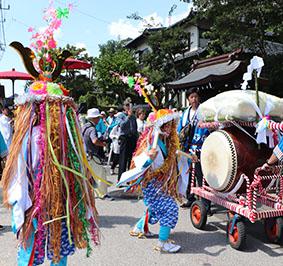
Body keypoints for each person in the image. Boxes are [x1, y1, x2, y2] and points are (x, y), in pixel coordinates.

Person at [118, 109, 194, 253]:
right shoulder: (151, 141)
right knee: (169, 208)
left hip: (160, 182)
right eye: (165, 125)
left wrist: (190, 157)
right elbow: (139, 162)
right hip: (152, 183)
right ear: (159, 126)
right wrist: (149, 159)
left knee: (155, 208)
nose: (168, 128)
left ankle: (139, 228)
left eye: (171, 125)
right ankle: (163, 243)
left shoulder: (167, 140)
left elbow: (175, 152)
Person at [177, 88, 211, 213]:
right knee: (188, 173)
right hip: (187, 147)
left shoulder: (204, 111)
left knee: (201, 174)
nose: (194, 99)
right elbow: (180, 129)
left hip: (201, 146)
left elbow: (210, 127)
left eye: (196, 96)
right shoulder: (185, 113)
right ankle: (190, 197)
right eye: (191, 97)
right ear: (188, 99)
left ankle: (205, 203)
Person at [117, 100, 138, 181]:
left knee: (131, 159)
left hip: (132, 138)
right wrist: (128, 117)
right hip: (124, 138)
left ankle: (130, 179)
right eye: (127, 105)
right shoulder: (121, 115)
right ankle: (121, 179)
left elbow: (135, 127)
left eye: (129, 105)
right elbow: (121, 125)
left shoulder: (133, 117)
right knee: (123, 159)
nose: (128, 107)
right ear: (124, 107)